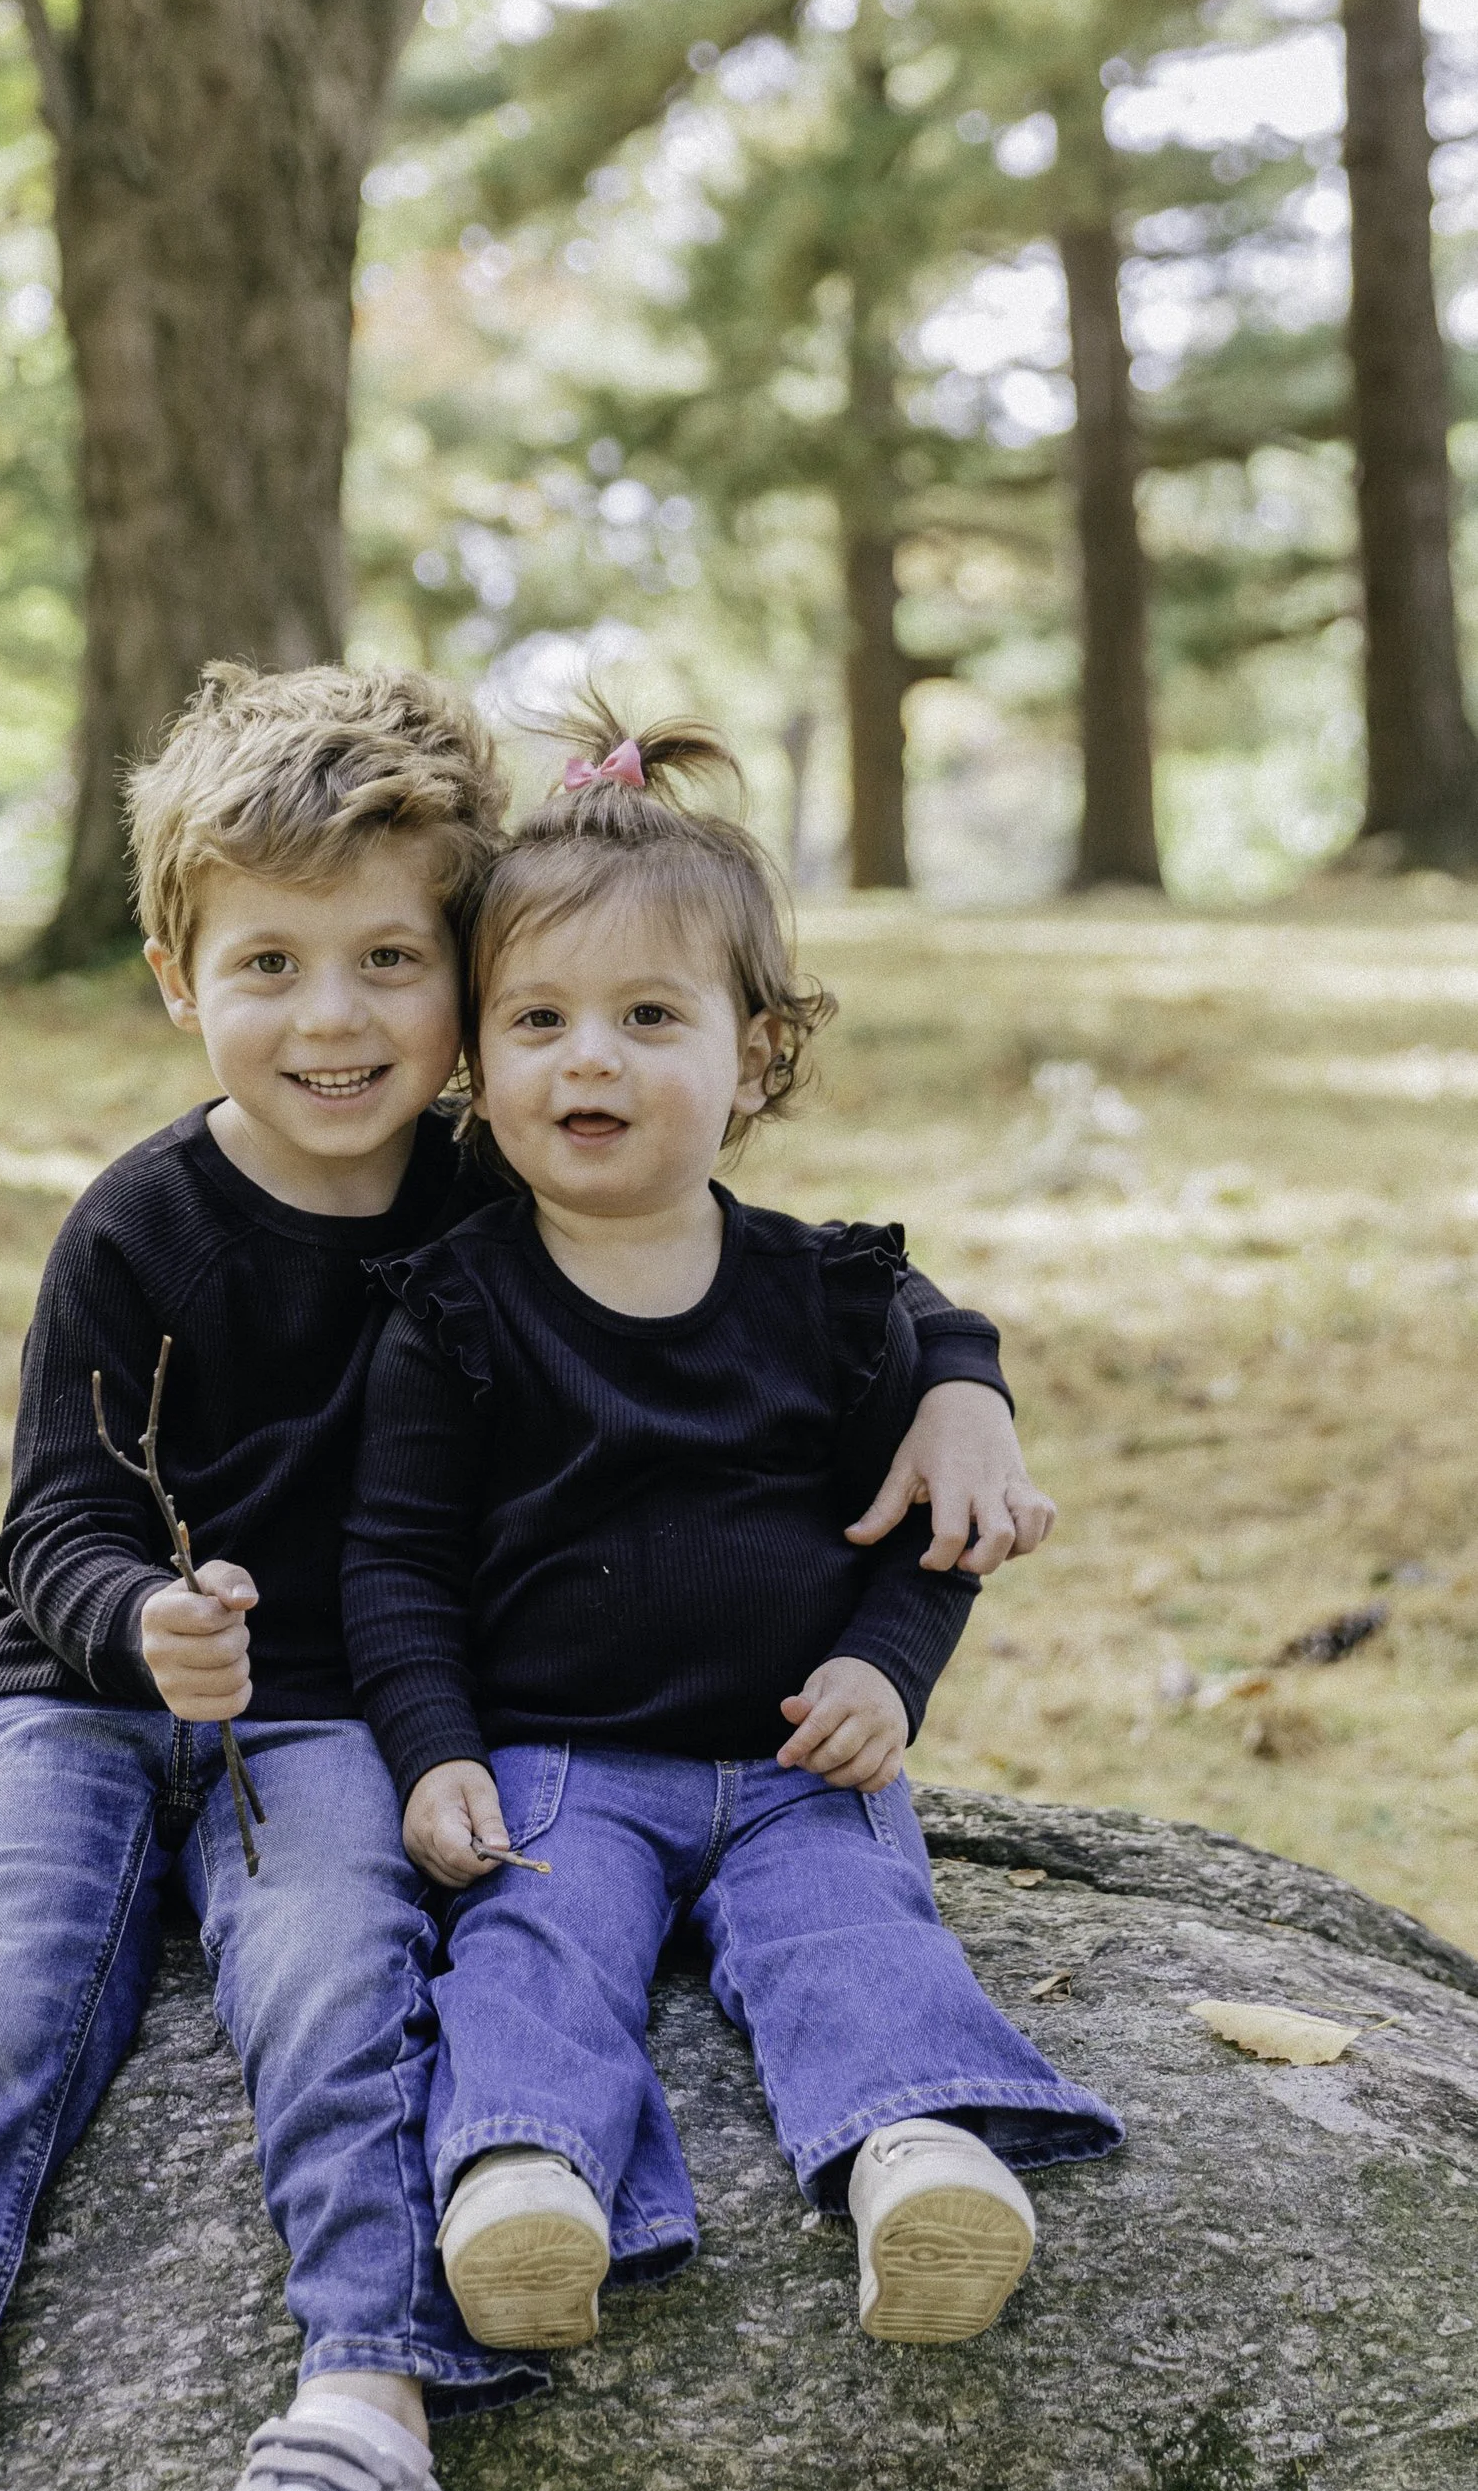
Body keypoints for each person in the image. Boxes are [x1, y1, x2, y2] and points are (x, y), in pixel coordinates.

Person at [0, 667, 1055, 2491]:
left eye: (387, 966)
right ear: (172, 977)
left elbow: (788, 1270)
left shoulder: (496, 1187)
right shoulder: (141, 1223)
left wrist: (960, 1371)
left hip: (331, 1717)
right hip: (70, 1702)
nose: (329, 1022)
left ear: (462, 983)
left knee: (348, 1982)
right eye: (265, 967)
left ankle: (362, 2417)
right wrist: (136, 1618)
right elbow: (51, 1507)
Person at [342, 706, 1122, 2365]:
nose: (590, 1059)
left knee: (855, 1933)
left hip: (795, 1759)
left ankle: (914, 2155)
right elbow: (395, 1560)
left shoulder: (827, 1300)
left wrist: (883, 1668)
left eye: (647, 1015)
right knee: (533, 1949)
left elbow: (935, 1525)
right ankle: (528, 2176)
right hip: (561, 1760)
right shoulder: (456, 1312)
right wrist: (432, 1747)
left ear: (756, 1051)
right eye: (538, 1019)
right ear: (477, 1061)